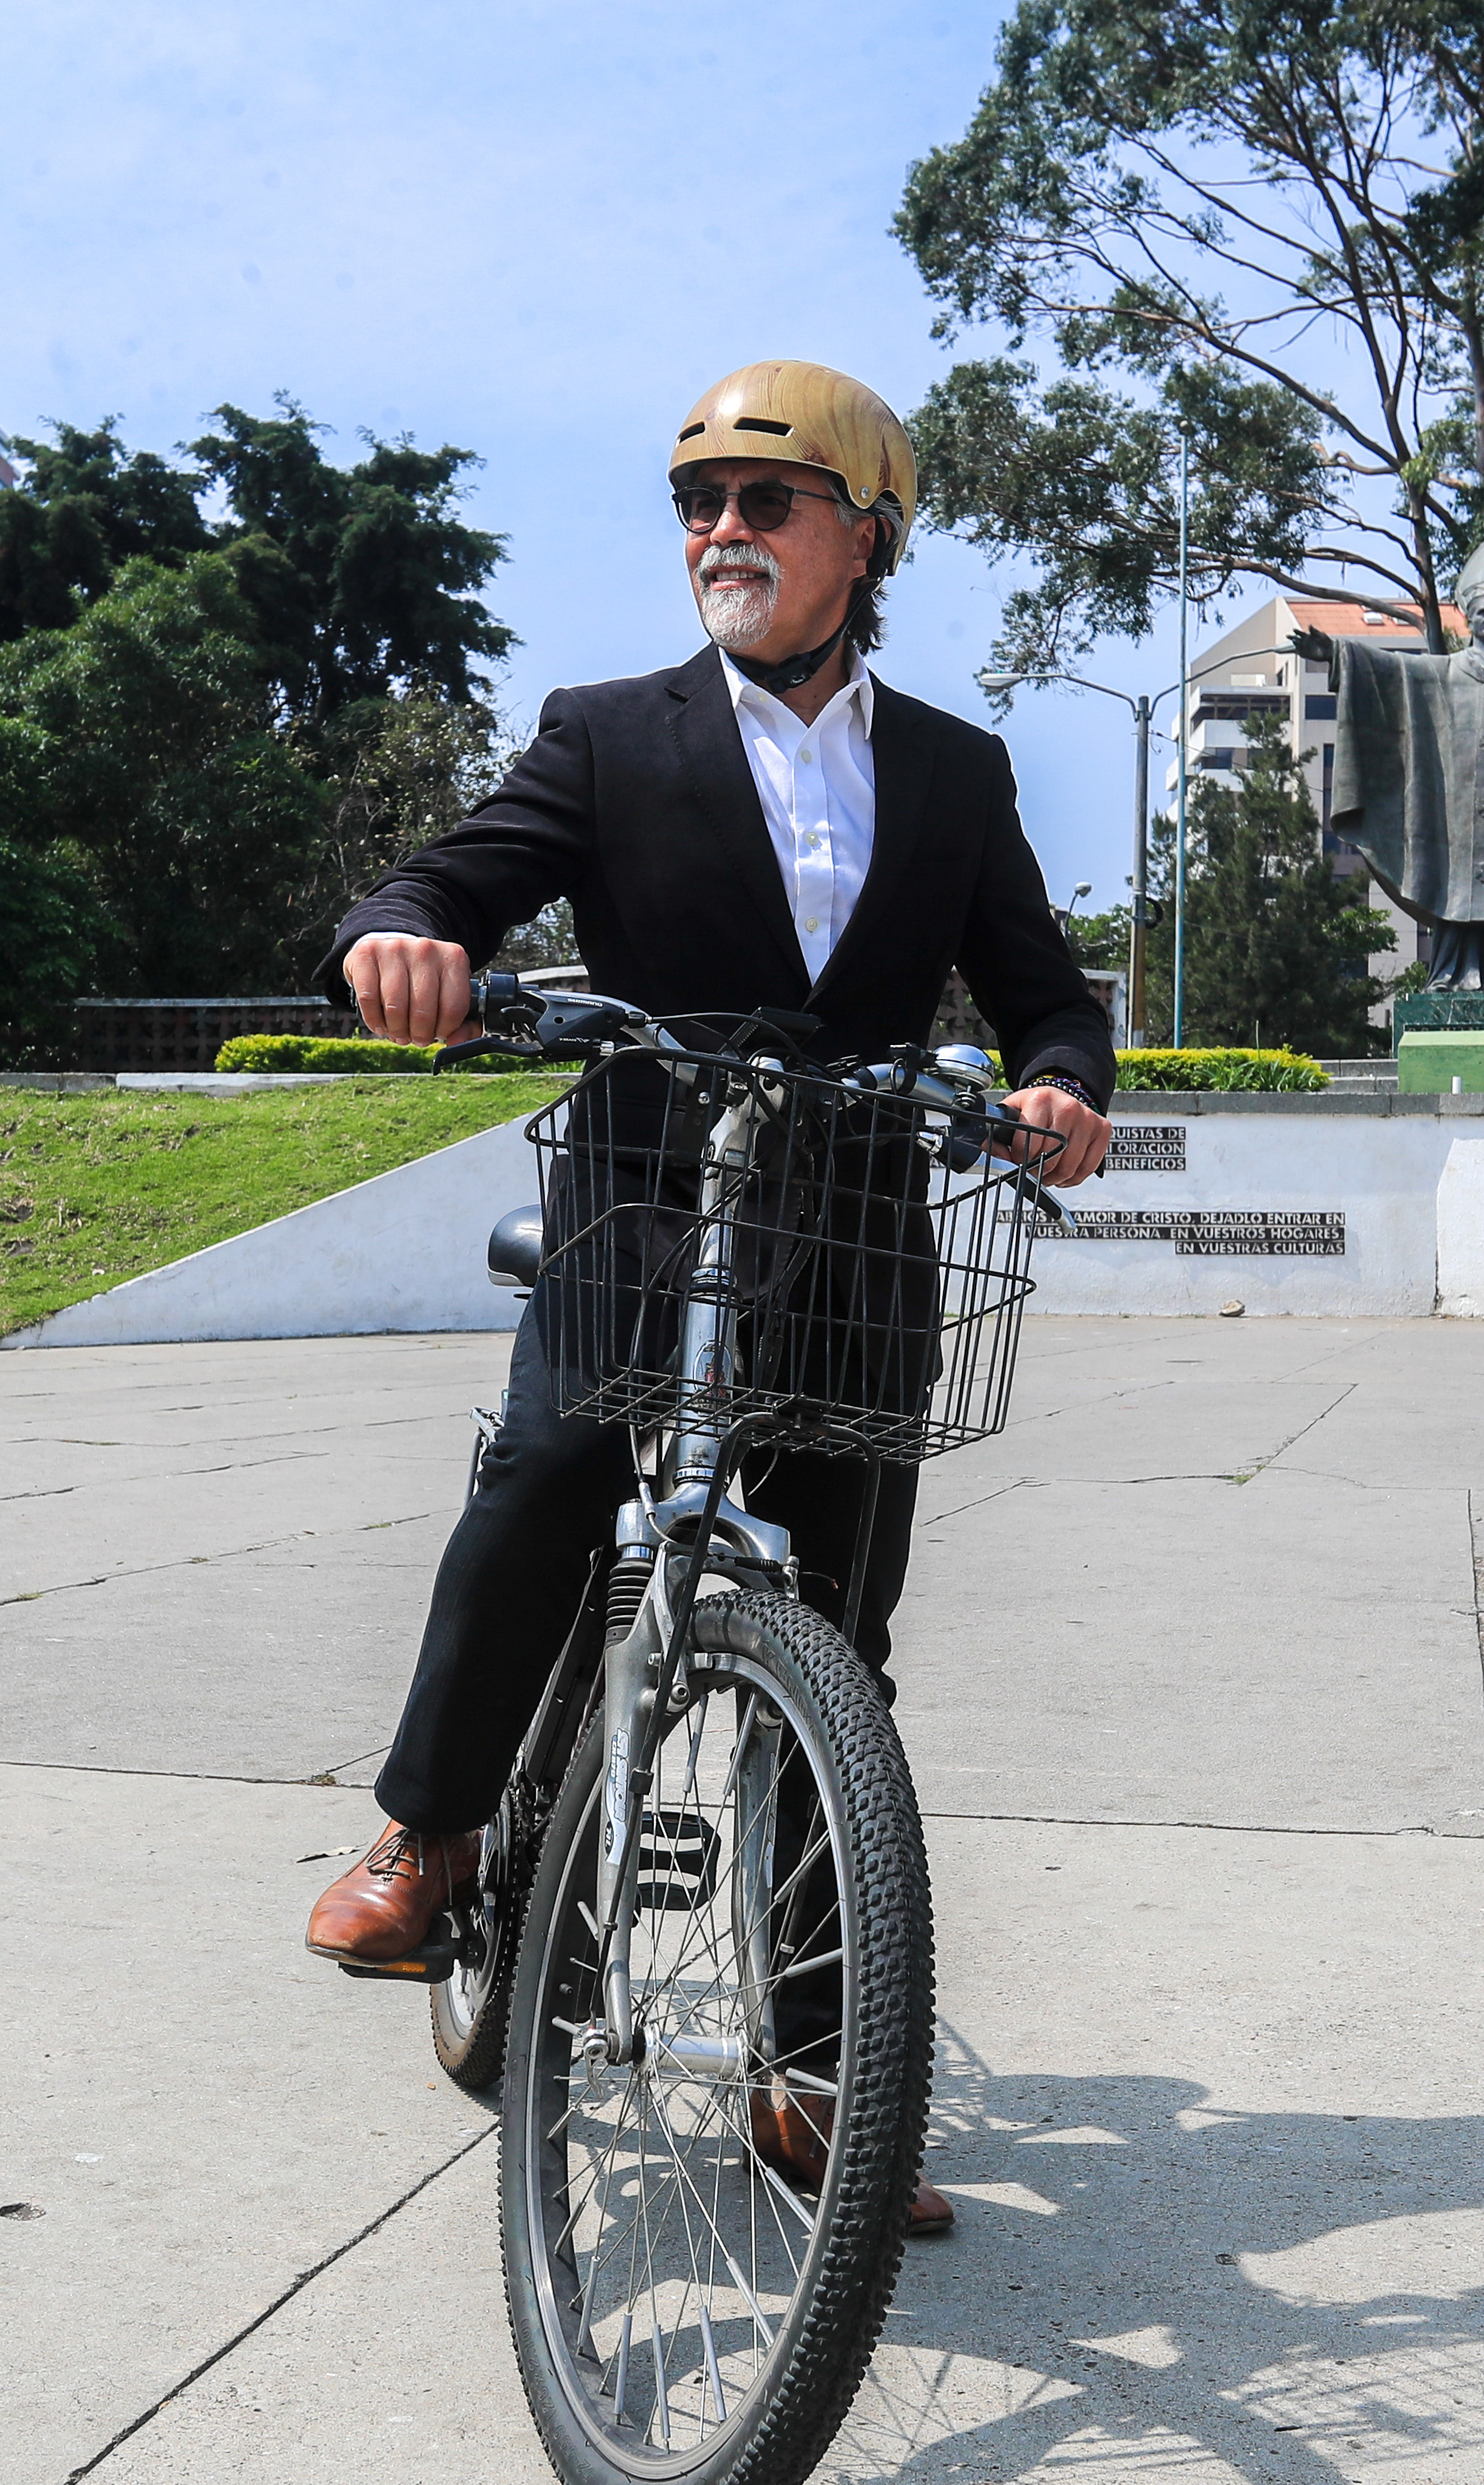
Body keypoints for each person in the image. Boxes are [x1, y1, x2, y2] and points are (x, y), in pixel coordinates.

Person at [302, 360, 1118, 2231]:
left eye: (766, 499)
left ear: (865, 536)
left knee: (841, 1642)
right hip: (643, 1212)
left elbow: (1039, 986)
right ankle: (426, 1836)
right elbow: (455, 873)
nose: (721, 533)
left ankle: (817, 2073)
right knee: (540, 1474)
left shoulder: (954, 771)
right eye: (699, 504)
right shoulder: (605, 732)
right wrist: (397, 935)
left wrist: (1062, 1078)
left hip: (849, 1248)